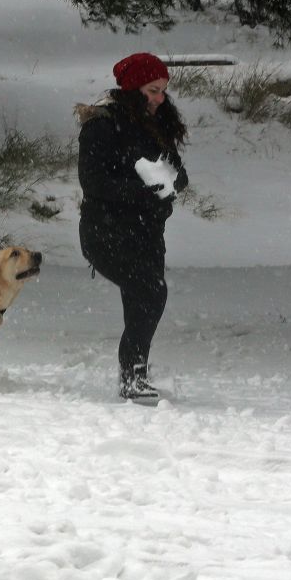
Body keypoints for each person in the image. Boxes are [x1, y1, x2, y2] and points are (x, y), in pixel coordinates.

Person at [76, 52, 188, 400]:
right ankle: (132, 376)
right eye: (153, 90)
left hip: (148, 231)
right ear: (131, 87)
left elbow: (178, 173)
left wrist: (172, 182)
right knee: (151, 292)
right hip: (105, 232)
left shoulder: (157, 123)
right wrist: (144, 192)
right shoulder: (102, 125)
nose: (159, 98)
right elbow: (93, 183)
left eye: (163, 91)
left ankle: (134, 375)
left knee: (141, 300)